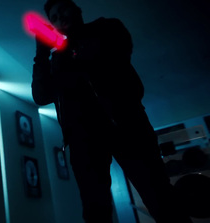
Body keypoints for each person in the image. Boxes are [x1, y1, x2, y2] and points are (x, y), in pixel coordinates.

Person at [31, 0, 193, 222]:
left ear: (77, 10)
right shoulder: (58, 58)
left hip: (127, 126)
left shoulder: (107, 28)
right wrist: (41, 55)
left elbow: (107, 54)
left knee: (159, 196)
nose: (60, 18)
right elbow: (41, 96)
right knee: (95, 209)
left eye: (63, 11)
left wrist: (65, 48)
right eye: (54, 18)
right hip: (83, 138)